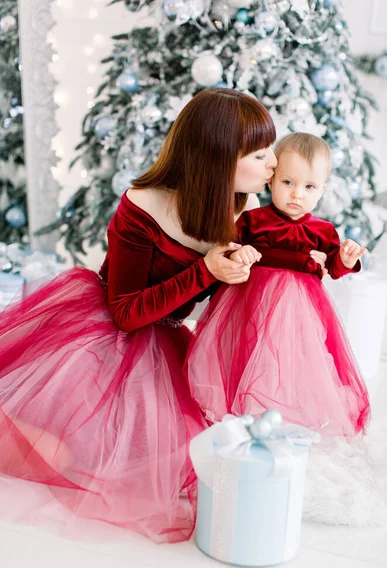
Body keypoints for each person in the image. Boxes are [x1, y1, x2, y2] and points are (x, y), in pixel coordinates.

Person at [0, 90, 328, 543]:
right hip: (109, 335)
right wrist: (206, 271)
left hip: (170, 334)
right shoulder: (143, 204)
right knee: (67, 451)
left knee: (188, 457)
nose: (274, 164)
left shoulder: (242, 207)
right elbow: (125, 313)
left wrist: (317, 261)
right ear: (219, 159)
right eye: (259, 153)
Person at [187, 132, 370, 438]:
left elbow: (333, 268)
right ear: (271, 181)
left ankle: (280, 412)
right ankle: (239, 409)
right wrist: (239, 252)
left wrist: (346, 260)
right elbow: (229, 248)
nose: (297, 194)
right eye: (288, 183)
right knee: (245, 351)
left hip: (300, 309)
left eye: (309, 187)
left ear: (322, 190)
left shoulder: (322, 231)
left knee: (290, 357)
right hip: (249, 301)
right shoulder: (253, 220)